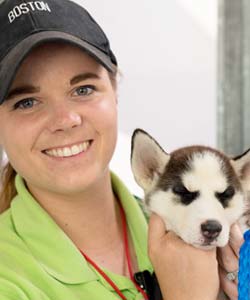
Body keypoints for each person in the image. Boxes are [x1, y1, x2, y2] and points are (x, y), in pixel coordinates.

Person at [0, 0, 243, 299]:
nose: (65, 120)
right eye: (26, 102)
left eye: (83, 89)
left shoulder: (188, 228)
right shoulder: (8, 276)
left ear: (115, 89)